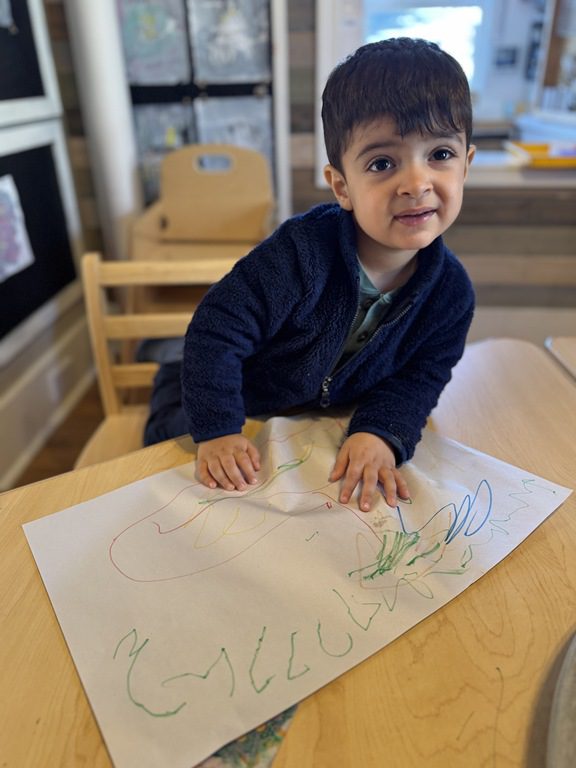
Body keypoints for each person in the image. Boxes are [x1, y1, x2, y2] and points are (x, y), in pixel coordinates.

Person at [144, 37, 476, 512]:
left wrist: (379, 431)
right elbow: (216, 330)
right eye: (382, 163)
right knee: (169, 474)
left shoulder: (452, 295)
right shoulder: (299, 254)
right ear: (342, 186)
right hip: (227, 399)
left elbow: (421, 377)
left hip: (316, 423)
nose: (417, 183)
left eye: (440, 154)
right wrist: (217, 429)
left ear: (466, 166)